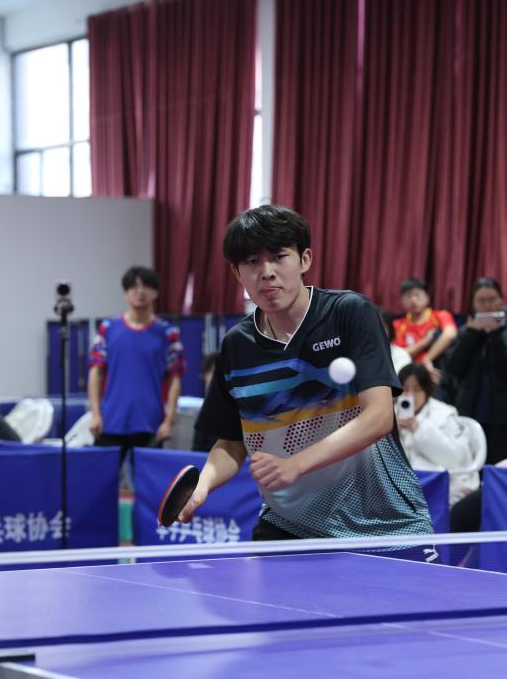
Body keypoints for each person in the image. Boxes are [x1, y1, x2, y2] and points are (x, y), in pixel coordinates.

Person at [183, 205, 434, 544]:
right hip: (288, 524)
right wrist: (202, 486)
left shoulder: (348, 313)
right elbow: (231, 442)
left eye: (279, 257)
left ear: (304, 259)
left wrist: (295, 465)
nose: (267, 272)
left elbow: (378, 418)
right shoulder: (237, 346)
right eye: (252, 262)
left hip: (385, 523)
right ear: (237, 273)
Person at [88, 266, 185, 456]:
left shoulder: (168, 333)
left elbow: (175, 379)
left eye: (146, 286)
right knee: (104, 475)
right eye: (133, 287)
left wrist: (169, 421)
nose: (140, 291)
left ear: (155, 292)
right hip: (110, 422)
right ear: (125, 293)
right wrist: (95, 415)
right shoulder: (107, 329)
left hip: (151, 424)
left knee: (148, 476)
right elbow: (95, 373)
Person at [444, 277, 507, 464]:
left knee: (502, 470)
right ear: (473, 304)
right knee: (470, 469)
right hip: (470, 416)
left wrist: (496, 336)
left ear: (501, 300)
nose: (487, 305)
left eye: (492, 299)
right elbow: (452, 368)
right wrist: (471, 335)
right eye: (481, 301)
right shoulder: (466, 333)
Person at [396, 362, 481, 507]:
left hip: (443, 485)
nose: (409, 396)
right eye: (404, 390)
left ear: (427, 390)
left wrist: (418, 428)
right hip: (404, 489)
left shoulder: (445, 414)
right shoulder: (389, 415)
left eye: (416, 390)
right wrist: (392, 434)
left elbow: (455, 457)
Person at [392, 278, 457, 382]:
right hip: (408, 376)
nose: (413, 300)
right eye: (408, 296)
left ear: (427, 297)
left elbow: (450, 334)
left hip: (437, 371)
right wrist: (425, 342)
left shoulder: (440, 316)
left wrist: (427, 358)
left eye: (417, 295)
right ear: (402, 301)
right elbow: (399, 354)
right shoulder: (398, 325)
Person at [191, 353, 220, 452]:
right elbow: (197, 449)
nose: (216, 377)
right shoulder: (204, 411)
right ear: (205, 376)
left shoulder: (240, 410)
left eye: (220, 372)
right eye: (212, 372)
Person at [380, 308, 412, 373]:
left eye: (382, 325)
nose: (377, 330)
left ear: (390, 328)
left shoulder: (401, 355)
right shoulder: (359, 354)